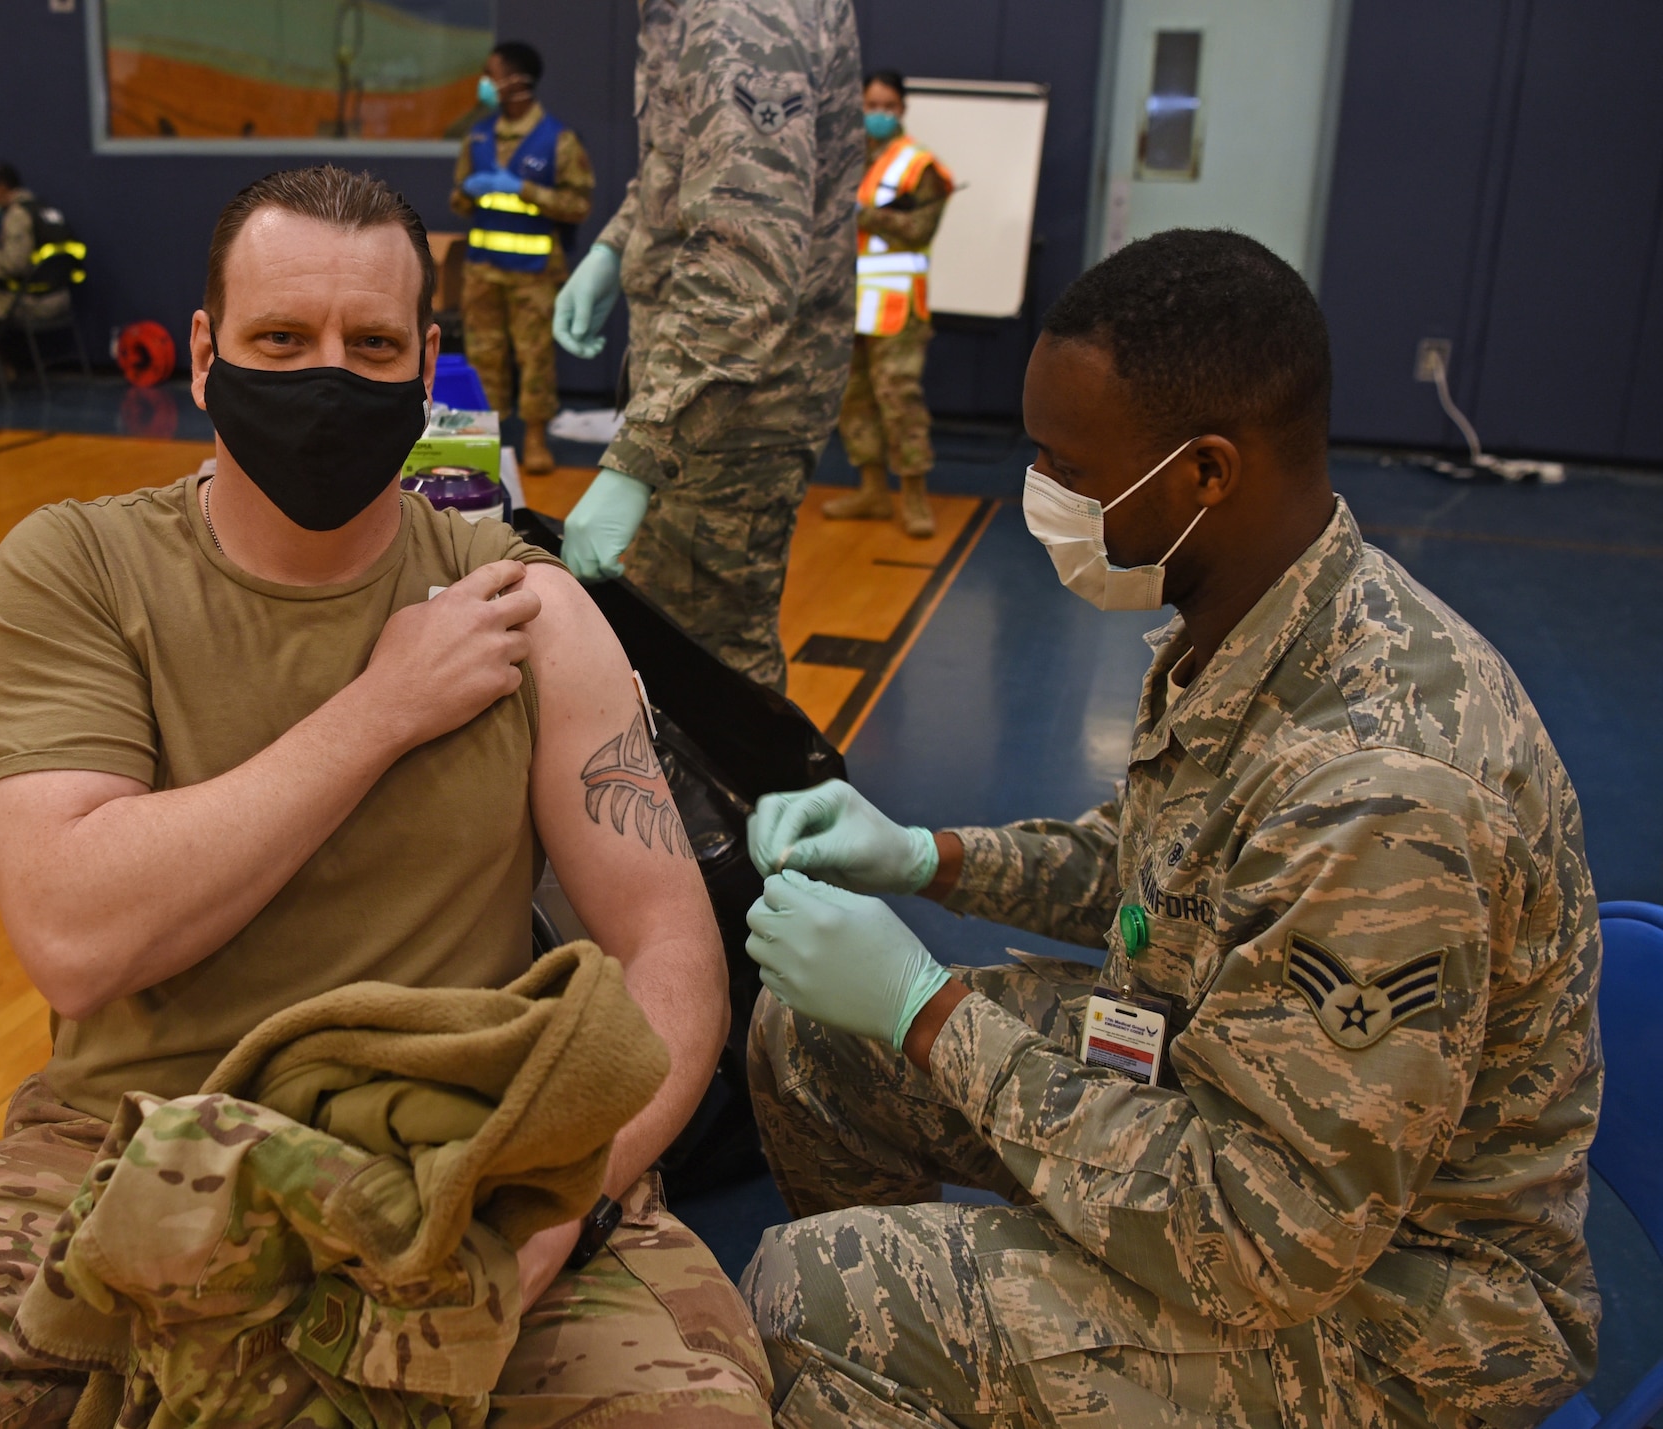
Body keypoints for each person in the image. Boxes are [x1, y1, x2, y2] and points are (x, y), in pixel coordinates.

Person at [0, 164, 774, 1428]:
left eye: (370, 345)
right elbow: (79, 938)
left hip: (458, 1157)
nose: (326, 379)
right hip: (113, 1150)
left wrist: (549, 1201)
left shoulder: (522, 606)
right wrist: (381, 707)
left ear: (424, 364)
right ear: (203, 355)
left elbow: (668, 951)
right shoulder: (78, 569)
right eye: (280, 340)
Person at [735, 231, 1602, 1426]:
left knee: (811, 1294)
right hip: (1220, 1100)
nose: (1035, 491)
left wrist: (926, 1009)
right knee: (814, 1040)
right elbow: (1159, 878)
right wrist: (923, 853)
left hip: (1399, 1312)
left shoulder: (1381, 787)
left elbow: (1268, 1235)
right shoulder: (1259, 615)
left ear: (1202, 472)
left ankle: (920, 1361)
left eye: (1062, 462)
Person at [551, 0, 863, 692]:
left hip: (733, 394)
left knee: (707, 661)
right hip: (700, 379)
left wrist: (638, 457)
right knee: (676, 636)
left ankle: (759, 802)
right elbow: (683, 156)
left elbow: (746, 256)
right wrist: (614, 245)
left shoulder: (737, 12)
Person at [450, 40, 594, 477]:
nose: (485, 82)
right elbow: (459, 199)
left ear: (515, 80)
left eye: (491, 73)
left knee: (535, 358)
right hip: (482, 270)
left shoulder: (558, 140)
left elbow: (578, 204)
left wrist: (523, 190)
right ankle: (485, 439)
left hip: (534, 273)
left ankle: (534, 437)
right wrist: (469, 191)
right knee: (484, 356)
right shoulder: (477, 136)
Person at [824, 67, 953, 539]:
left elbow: (921, 230)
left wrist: (867, 215)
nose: (877, 114)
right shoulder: (843, 160)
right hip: (846, 305)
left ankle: (915, 499)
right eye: (870, 105)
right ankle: (873, 491)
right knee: (853, 402)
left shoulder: (918, 166)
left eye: (887, 106)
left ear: (902, 109)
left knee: (899, 403)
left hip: (897, 307)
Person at [0, 160, 81, 327]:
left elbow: (15, 264)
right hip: (62, 296)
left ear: (0, 188)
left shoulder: (17, 215)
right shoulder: (45, 209)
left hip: (36, 303)